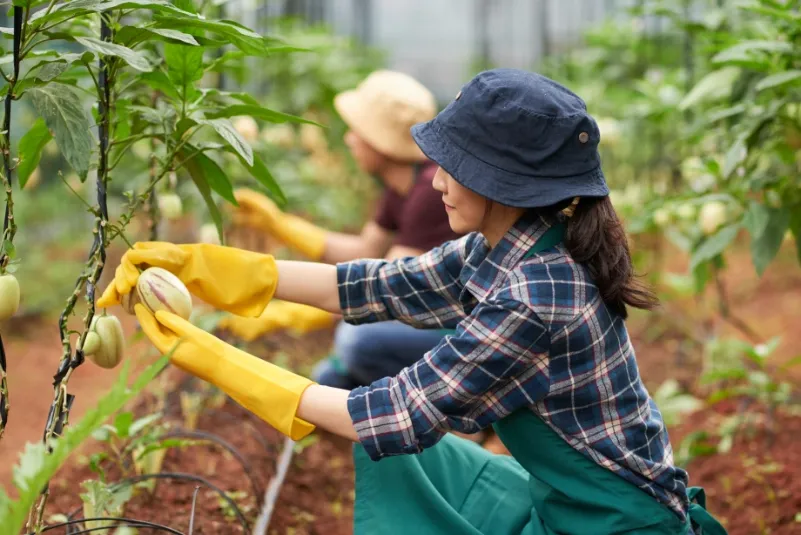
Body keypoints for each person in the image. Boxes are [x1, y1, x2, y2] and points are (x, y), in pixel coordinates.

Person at [98, 69, 727, 535]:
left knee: (392, 440)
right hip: (570, 502)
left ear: (503, 183)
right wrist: (203, 267)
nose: (438, 180)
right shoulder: (506, 245)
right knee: (409, 465)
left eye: (453, 166)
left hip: (615, 524)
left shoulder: (535, 297)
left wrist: (207, 355)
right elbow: (372, 285)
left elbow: (393, 413)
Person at [221, 69, 461, 392]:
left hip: (457, 331)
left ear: (380, 142)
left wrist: (289, 314)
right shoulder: (402, 188)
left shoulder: (429, 192)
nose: (349, 139)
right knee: (329, 379)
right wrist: (279, 224)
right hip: (427, 323)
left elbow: (385, 290)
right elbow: (363, 250)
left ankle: (451, 414)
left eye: (357, 131)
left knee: (357, 340)